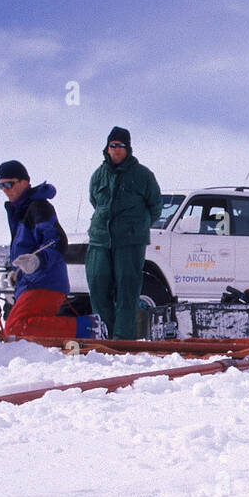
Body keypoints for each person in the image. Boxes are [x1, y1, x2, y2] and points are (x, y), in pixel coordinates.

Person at [0, 160, 107, 340]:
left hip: (45, 281)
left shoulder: (38, 207)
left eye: (9, 184)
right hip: (30, 283)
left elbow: (57, 241)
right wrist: (17, 272)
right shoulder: (20, 212)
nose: (5, 190)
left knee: (17, 327)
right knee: (19, 327)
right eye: (1, 185)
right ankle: (62, 339)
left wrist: (37, 261)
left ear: (24, 182)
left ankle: (89, 328)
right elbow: (28, 248)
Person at [86, 126, 161, 340]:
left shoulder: (143, 175)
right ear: (107, 148)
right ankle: (104, 336)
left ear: (128, 149)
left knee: (127, 290)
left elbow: (155, 206)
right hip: (100, 240)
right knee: (98, 286)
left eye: (121, 146)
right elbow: (95, 201)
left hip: (130, 242)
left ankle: (123, 340)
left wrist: (136, 226)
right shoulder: (98, 175)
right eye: (113, 146)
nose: (116, 150)